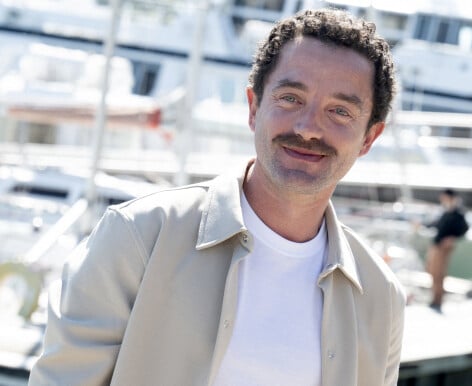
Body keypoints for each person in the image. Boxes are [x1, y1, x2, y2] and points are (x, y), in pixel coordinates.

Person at [29, 8, 406, 386]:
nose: (308, 128)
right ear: (254, 108)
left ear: (369, 138)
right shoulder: (139, 237)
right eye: (291, 98)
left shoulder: (381, 298)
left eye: (340, 111)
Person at [425, 188, 469, 312]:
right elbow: (437, 225)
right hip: (436, 245)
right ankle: (435, 298)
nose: (443, 200)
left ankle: (437, 300)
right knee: (432, 271)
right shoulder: (446, 212)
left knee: (438, 273)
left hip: (443, 247)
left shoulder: (457, 214)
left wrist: (452, 238)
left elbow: (464, 229)